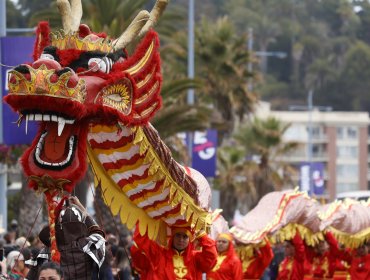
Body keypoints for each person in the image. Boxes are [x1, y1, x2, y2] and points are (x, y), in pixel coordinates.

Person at [131, 225, 217, 279]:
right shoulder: (159, 254)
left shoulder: (195, 257)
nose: (181, 240)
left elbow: (211, 257)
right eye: (178, 235)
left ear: (189, 240)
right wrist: (145, 222)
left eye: (185, 237)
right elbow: (141, 245)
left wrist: (202, 235)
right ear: (172, 237)